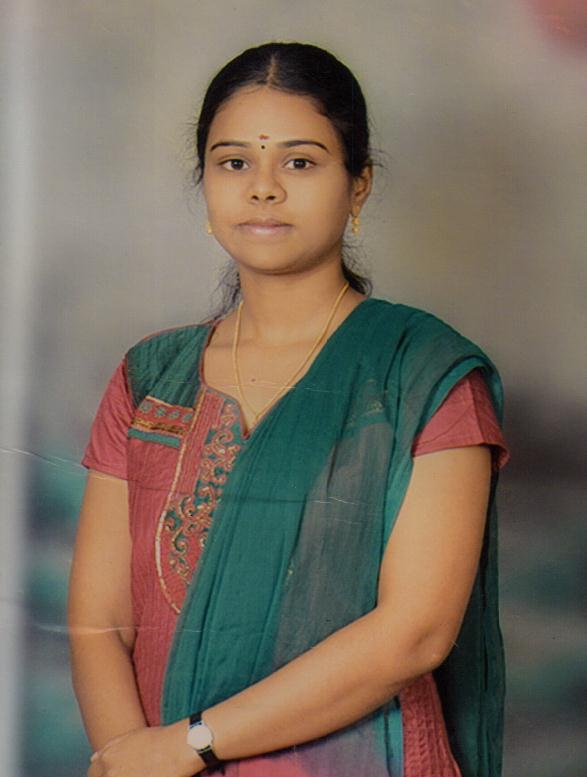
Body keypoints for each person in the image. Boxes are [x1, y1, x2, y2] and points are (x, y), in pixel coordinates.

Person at [68, 41, 510, 777]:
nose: (263, 189)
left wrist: (185, 745)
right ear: (205, 184)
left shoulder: (424, 374)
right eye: (233, 162)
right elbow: (98, 621)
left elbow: (416, 633)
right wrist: (134, 761)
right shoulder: (150, 379)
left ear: (358, 186)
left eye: (299, 162)